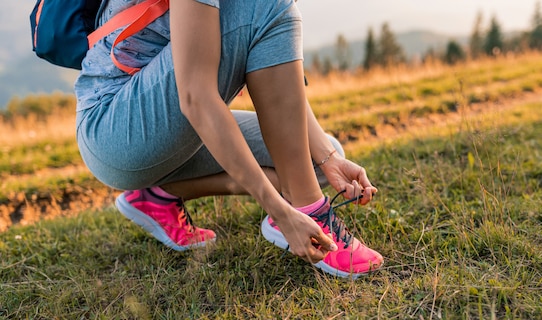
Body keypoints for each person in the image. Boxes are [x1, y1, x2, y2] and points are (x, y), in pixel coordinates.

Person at [74, 0, 383, 278]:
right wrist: (279, 209)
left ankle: (156, 196)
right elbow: (197, 98)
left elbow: (276, 69)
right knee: (265, 5)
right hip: (116, 129)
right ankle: (308, 209)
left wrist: (329, 157)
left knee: (312, 164)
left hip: (158, 125)